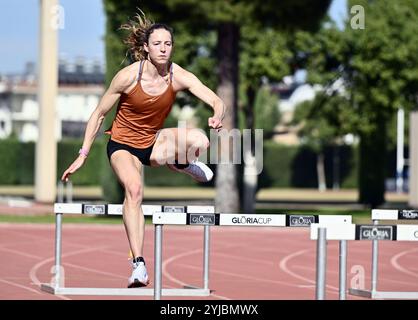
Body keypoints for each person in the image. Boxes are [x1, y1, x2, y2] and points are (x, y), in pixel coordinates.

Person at [61, 12, 226, 288]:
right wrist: (82, 154)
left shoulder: (178, 75)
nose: (163, 48)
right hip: (122, 144)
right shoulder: (127, 77)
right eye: (158, 43)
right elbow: (99, 115)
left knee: (201, 141)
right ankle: (138, 265)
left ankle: (182, 163)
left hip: (152, 142)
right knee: (135, 190)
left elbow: (216, 99)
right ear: (146, 48)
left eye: (168, 44)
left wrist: (218, 115)